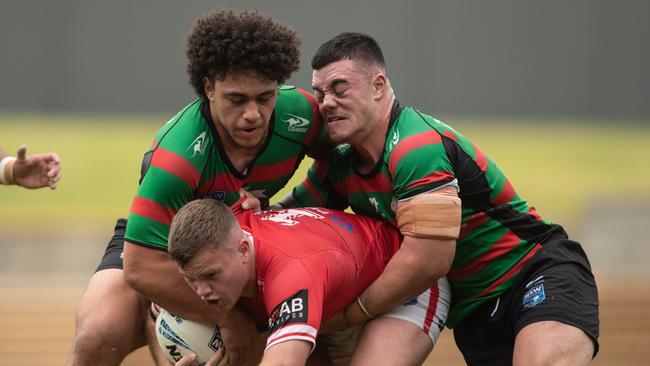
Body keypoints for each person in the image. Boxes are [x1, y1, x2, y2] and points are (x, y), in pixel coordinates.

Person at [284, 32, 599, 365]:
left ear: (378, 85)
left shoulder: (415, 146)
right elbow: (288, 219)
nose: (327, 103)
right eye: (320, 94)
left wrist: (351, 314)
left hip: (535, 273)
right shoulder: (339, 163)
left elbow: (429, 260)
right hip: (474, 314)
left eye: (339, 88)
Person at [66, 10, 326, 366]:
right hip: (157, 246)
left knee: (311, 348)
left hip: (238, 247)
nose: (253, 114)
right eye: (237, 100)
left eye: (264, 97)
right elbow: (141, 268)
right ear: (208, 89)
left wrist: (290, 208)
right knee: (98, 336)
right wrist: (228, 319)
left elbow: (340, 166)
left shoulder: (301, 115)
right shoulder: (179, 157)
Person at [168, 198, 403, 366]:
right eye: (190, 279)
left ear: (243, 250)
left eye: (211, 276)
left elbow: (284, 361)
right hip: (327, 283)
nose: (201, 291)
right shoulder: (226, 230)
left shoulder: (291, 274)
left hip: (396, 277)